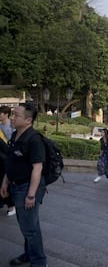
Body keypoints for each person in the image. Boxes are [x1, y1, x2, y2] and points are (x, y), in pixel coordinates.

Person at [0, 103, 48, 266]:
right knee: (28, 225)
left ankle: (39, 262)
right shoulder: (15, 136)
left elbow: (37, 168)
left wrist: (31, 195)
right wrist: (5, 182)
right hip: (15, 185)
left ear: (28, 120)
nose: (12, 118)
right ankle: (29, 254)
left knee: (30, 228)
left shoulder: (34, 139)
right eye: (12, 114)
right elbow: (11, 161)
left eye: (16, 115)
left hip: (27, 188)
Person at [0, 107, 15, 216]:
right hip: (2, 156)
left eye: (1, 113)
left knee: (5, 181)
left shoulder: (12, 125)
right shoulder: (0, 126)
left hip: (8, 156)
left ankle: (11, 206)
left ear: (6, 114)